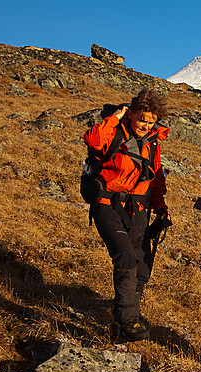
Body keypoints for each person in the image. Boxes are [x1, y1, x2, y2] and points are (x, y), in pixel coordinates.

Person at [83, 89, 170, 343]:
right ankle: (127, 319)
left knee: (142, 264)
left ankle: (128, 315)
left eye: (151, 121)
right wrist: (115, 116)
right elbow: (93, 140)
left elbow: (154, 178)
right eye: (142, 119)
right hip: (106, 203)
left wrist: (160, 206)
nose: (145, 125)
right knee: (126, 256)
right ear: (131, 113)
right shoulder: (114, 132)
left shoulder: (152, 143)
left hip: (138, 208)